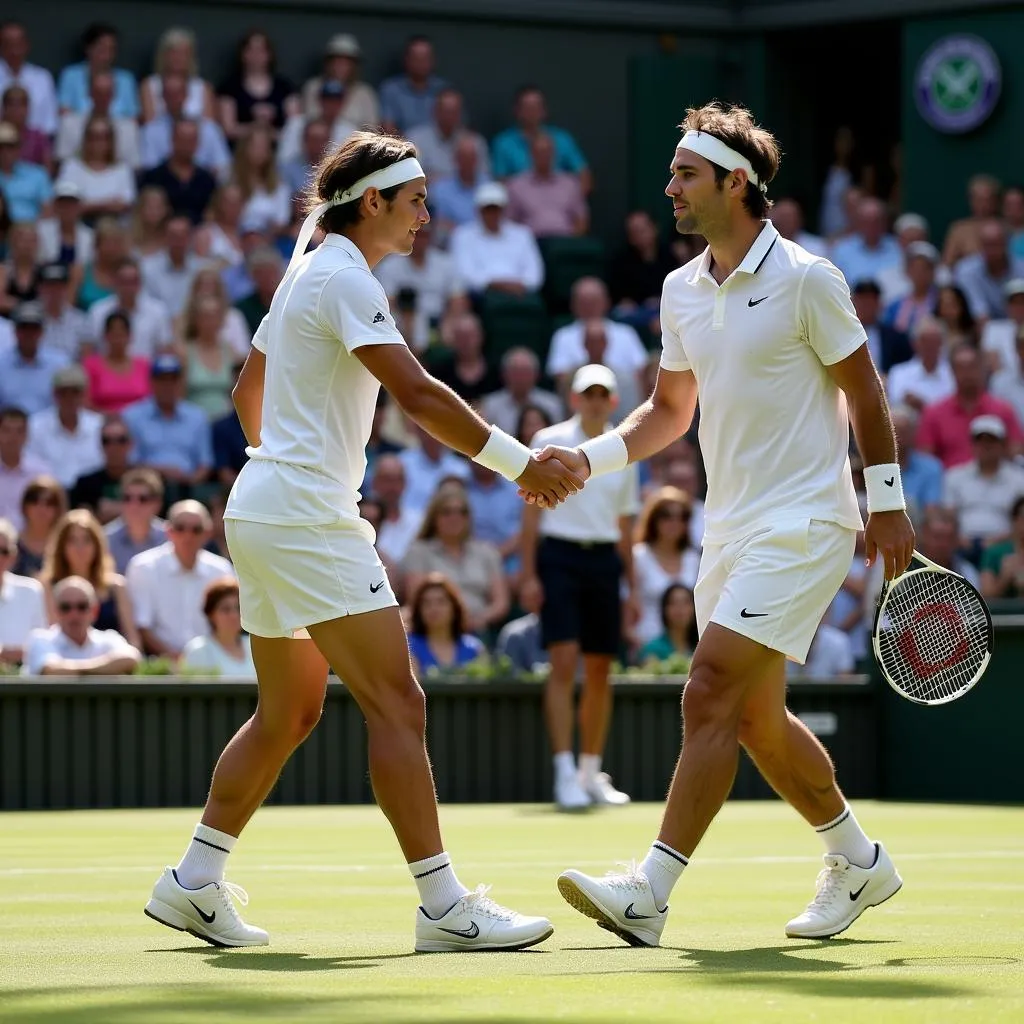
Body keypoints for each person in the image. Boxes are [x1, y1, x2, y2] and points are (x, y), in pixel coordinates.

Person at [144, 131, 582, 952]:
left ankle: (193, 883)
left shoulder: (306, 270)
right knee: (397, 701)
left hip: (264, 507)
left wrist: (281, 467)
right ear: (372, 200)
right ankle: (445, 909)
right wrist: (522, 462)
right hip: (306, 516)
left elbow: (249, 393)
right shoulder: (343, 274)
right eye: (415, 201)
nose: (427, 216)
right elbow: (415, 391)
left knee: (289, 713)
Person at [525, 102, 915, 946]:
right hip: (727, 529)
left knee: (705, 690)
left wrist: (886, 501)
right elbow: (668, 412)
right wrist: (586, 461)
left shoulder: (811, 278)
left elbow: (865, 390)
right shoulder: (678, 290)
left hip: (807, 521)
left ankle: (650, 892)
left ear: (737, 184)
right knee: (753, 720)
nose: (669, 189)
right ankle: (859, 858)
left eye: (685, 175)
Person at [520, 364, 641, 811]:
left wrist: (631, 587)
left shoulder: (622, 451)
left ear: (611, 401)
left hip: (604, 562)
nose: (593, 401)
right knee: (564, 662)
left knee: (599, 669)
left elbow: (626, 525)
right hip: (559, 559)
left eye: (601, 395)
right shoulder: (546, 441)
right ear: (574, 399)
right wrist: (529, 573)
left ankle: (591, 772)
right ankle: (564, 773)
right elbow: (531, 513)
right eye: (586, 394)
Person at [180, 576, 256, 677]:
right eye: (225, 609)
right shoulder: (198, 650)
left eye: (238, 608)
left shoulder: (252, 645)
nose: (234, 615)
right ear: (211, 614)